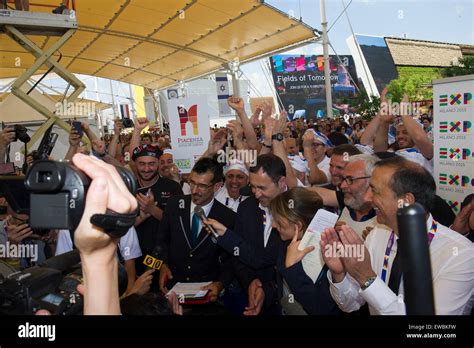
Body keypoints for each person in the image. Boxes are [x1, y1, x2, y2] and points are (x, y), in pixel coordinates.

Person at [322, 157, 474, 315]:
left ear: (406, 201)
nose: (368, 198)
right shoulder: (377, 234)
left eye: (375, 191)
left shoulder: (461, 255)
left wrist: (367, 278)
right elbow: (350, 305)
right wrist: (339, 274)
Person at [202, 154, 287, 315]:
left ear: (281, 182)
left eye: (262, 188)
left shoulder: (296, 210)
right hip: (251, 293)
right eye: (253, 186)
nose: (256, 194)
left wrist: (226, 236)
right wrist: (251, 281)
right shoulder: (247, 207)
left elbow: (270, 259)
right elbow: (237, 256)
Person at [156, 157, 236, 304]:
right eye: (191, 182)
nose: (194, 190)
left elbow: (230, 260)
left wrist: (220, 284)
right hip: (172, 291)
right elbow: (161, 243)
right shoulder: (174, 205)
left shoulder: (227, 217)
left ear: (217, 186)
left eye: (202, 186)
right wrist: (162, 265)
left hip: (207, 295)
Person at [131, 143, 183, 276]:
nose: (147, 169)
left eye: (152, 164)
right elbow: (119, 229)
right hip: (132, 257)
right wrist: (141, 217)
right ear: (135, 164)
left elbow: (179, 224)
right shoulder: (127, 187)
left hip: (164, 258)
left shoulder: (173, 187)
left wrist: (152, 209)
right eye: (142, 164)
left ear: (159, 164)